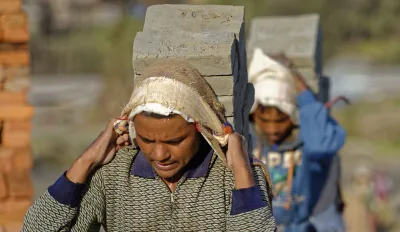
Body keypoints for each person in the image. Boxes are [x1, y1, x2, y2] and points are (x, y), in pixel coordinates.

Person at [22, 60, 276, 231]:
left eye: (175, 141)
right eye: (147, 140)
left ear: (200, 129)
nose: (160, 154)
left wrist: (242, 170)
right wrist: (86, 161)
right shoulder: (112, 176)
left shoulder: (237, 177)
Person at [248, 48, 346, 232]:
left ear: (293, 116)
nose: (273, 129)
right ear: (253, 117)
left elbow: (321, 146)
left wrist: (301, 88)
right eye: (265, 121)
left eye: (280, 120)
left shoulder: (306, 142)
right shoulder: (248, 141)